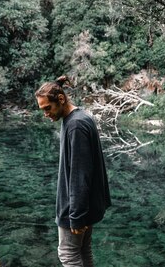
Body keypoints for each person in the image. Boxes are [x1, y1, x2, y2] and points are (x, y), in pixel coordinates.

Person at [35, 76, 111, 267]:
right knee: (83, 251)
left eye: (47, 108)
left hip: (75, 208)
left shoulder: (75, 125)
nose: (46, 114)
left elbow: (80, 173)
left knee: (68, 254)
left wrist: (75, 216)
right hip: (86, 204)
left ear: (61, 99)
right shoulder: (80, 117)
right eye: (42, 109)